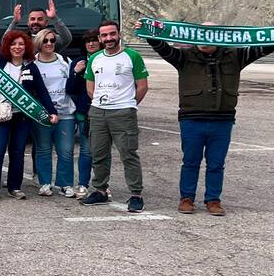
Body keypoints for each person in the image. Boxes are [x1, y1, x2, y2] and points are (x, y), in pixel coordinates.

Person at [142, 20, 274, 216]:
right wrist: (147, 30)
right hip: (192, 120)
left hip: (223, 120)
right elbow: (162, 48)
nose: (204, 38)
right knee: (190, 161)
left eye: (209, 33)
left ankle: (213, 200)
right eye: (200, 33)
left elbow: (264, 47)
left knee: (216, 163)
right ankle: (186, 198)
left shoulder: (235, 55)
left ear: (218, 35)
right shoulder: (184, 57)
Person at [0, 31, 59, 201]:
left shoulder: (31, 66)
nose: (17, 47)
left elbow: (42, 92)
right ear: (7, 46)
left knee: (17, 152)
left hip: (22, 116)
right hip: (0, 115)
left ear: (26, 47)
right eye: (13, 44)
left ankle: (14, 187)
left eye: (21, 44)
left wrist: (52, 111)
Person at [82, 20, 149, 212]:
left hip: (123, 112)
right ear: (100, 38)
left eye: (112, 34)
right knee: (99, 154)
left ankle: (136, 194)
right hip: (98, 112)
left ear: (118, 34)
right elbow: (90, 85)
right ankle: (100, 190)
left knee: (128, 154)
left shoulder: (132, 56)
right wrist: (98, 102)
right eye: (104, 35)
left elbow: (142, 85)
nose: (108, 38)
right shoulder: (95, 58)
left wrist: (128, 104)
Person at [31, 28, 76, 197]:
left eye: (52, 40)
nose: (49, 43)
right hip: (42, 114)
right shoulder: (32, 63)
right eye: (45, 41)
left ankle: (65, 183)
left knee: (65, 150)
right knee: (43, 149)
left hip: (65, 112)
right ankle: (44, 183)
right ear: (39, 43)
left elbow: (72, 85)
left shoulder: (65, 61)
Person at [66, 30, 100, 199]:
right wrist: (76, 73)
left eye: (94, 40)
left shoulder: (107, 61)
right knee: (86, 150)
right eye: (88, 41)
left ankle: (102, 185)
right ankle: (83, 184)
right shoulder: (78, 62)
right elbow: (69, 89)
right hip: (84, 113)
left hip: (105, 112)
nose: (91, 44)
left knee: (102, 151)